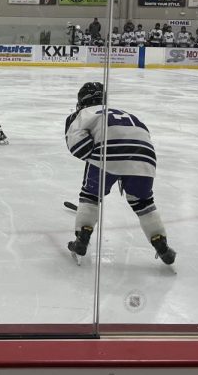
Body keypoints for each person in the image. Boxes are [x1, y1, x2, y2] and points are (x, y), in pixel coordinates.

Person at [64, 82, 176, 266]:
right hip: (145, 157)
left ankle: (82, 237)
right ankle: (161, 243)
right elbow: (144, 137)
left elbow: (79, 147)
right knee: (143, 203)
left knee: (90, 196)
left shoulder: (81, 115)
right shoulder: (127, 114)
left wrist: (97, 159)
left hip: (109, 154)